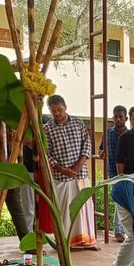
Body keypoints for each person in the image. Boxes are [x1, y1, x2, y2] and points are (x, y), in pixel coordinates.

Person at [44, 94, 98, 250]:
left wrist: (76, 167)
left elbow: (87, 144)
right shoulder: (47, 129)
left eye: (60, 109)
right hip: (61, 176)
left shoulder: (78, 122)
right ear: (50, 111)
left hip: (80, 174)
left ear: (65, 106)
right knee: (64, 211)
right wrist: (62, 168)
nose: (57, 113)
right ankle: (67, 243)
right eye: (54, 111)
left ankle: (88, 242)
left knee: (84, 208)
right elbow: (47, 153)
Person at [99, 105, 128, 243]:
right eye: (115, 116)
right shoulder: (108, 133)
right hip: (112, 172)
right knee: (118, 201)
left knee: (125, 202)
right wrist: (102, 153)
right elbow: (100, 150)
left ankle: (122, 229)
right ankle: (118, 230)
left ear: (126, 118)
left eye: (120, 117)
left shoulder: (130, 134)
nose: (117, 119)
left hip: (128, 173)